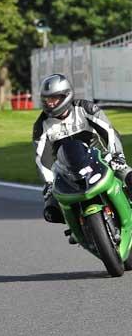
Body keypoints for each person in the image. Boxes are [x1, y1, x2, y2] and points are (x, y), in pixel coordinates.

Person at [33, 73, 132, 225]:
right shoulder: (41, 125)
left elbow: (110, 132)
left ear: (66, 95)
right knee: (51, 211)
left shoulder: (86, 108)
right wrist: (49, 182)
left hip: (99, 158)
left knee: (128, 175)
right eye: (47, 100)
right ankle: (76, 227)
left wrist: (117, 156)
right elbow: (42, 158)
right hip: (65, 168)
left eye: (53, 99)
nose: (50, 104)